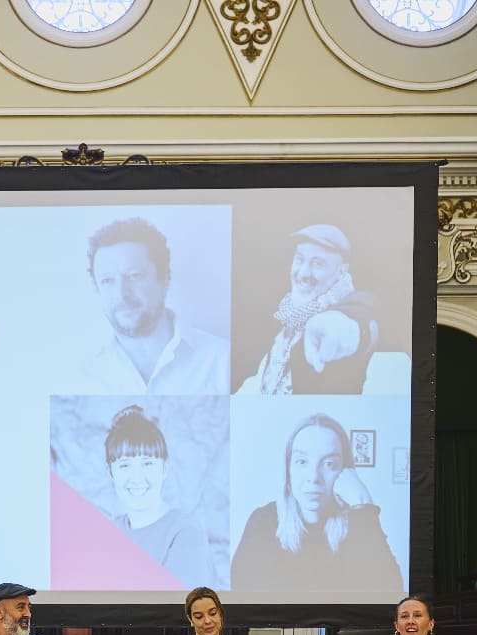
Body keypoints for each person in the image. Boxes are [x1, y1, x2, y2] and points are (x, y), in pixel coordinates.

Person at [229, 413, 402, 595]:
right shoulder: (263, 521)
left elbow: (391, 593)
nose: (314, 477)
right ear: (289, 470)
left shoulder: (358, 522)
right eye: (302, 461)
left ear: (345, 473)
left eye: (329, 464)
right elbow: (245, 593)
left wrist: (364, 506)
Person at [237, 224, 394, 395]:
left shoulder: (350, 309)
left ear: (341, 272)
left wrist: (344, 326)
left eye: (317, 264)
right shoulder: (290, 316)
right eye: (299, 259)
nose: (303, 273)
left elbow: (362, 315)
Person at [81, 217, 229, 394]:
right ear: (96, 287)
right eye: (107, 281)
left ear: (164, 279)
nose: (121, 294)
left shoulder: (222, 361)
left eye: (135, 276)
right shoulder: (76, 375)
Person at [103, 405, 216, 586]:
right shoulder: (109, 532)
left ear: (164, 469)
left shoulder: (184, 534)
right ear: (111, 473)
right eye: (125, 465)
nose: (137, 478)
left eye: (147, 463)